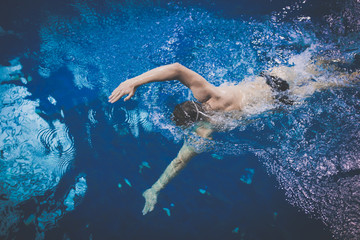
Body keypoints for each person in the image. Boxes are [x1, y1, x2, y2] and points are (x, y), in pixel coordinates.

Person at [108, 58, 359, 215]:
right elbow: (175, 69)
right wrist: (135, 81)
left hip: (278, 101)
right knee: (317, 65)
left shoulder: (206, 129)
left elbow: (179, 161)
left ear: (191, 124)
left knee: (325, 85)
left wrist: (154, 189)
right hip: (273, 78)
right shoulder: (209, 93)